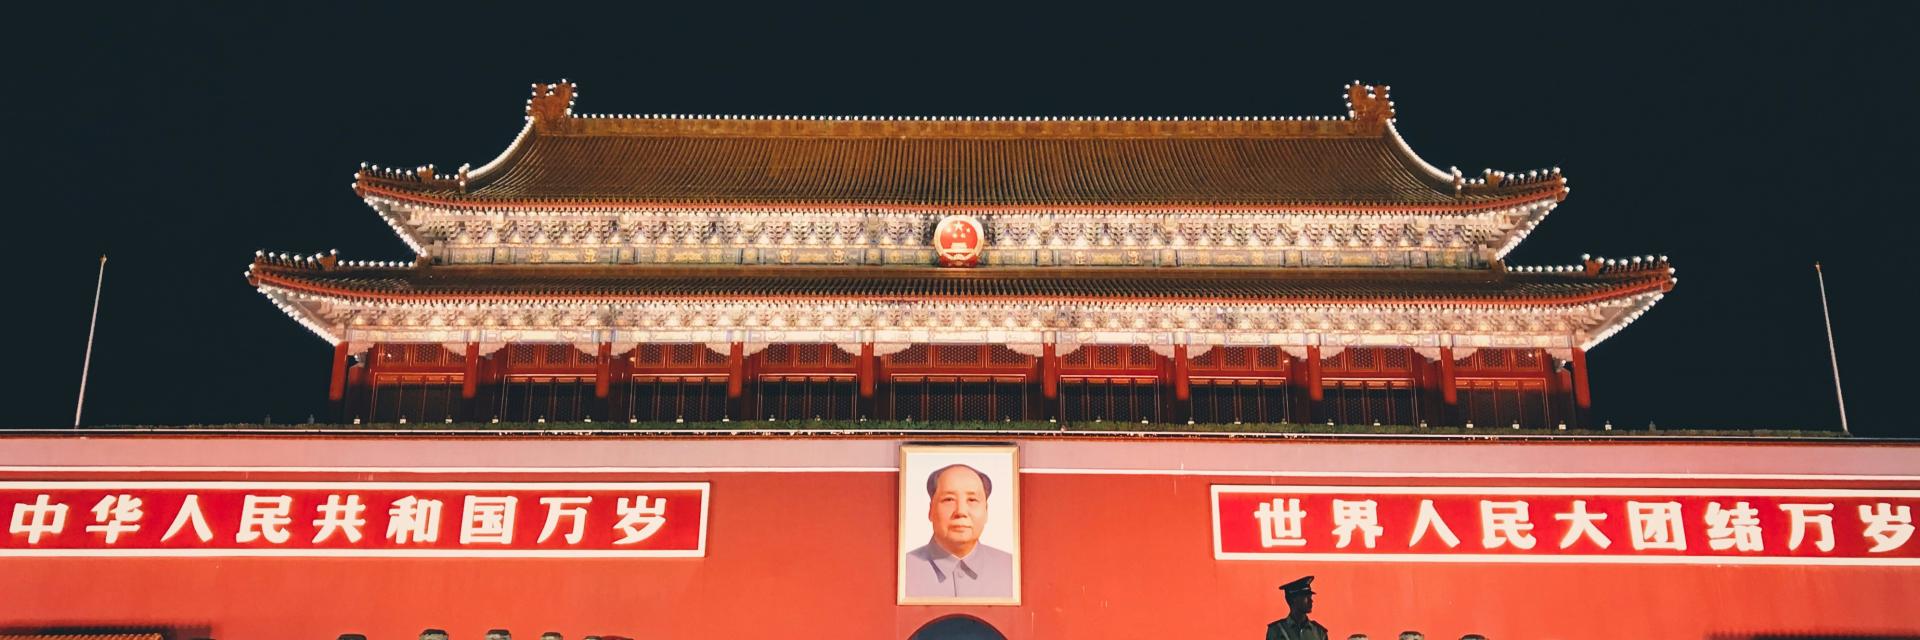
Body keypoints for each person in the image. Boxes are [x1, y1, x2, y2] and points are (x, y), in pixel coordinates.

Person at [903, 463, 1014, 598]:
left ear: (986, 511)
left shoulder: (1012, 571)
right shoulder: (902, 571)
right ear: (931, 510)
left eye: (972, 500)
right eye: (949, 499)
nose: (961, 511)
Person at [1266, 575, 1329, 640]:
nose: (1311, 600)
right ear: (1293, 599)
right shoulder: (1276, 631)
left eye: (1310, 597)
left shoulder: (1320, 633)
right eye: (1306, 597)